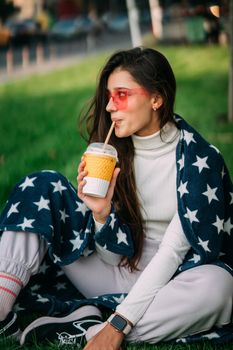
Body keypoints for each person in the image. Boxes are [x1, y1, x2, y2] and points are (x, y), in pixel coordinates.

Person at [0, 47, 232, 349]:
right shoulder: (114, 153)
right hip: (118, 270)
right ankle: (3, 310)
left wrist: (120, 324)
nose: (110, 106)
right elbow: (112, 258)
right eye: (109, 96)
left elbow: (172, 253)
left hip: (173, 277)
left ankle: (91, 330)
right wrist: (100, 214)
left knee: (220, 287)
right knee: (41, 185)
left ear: (156, 98)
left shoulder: (199, 160)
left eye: (121, 95)